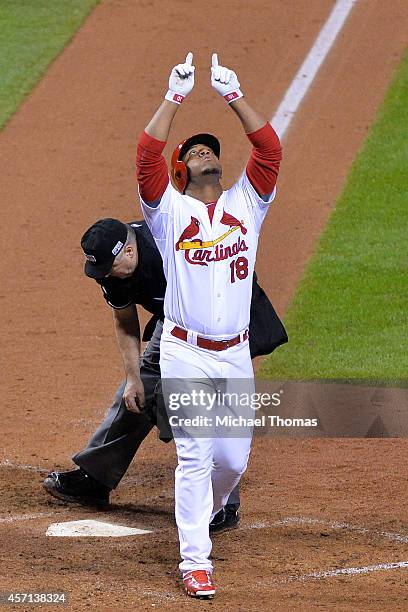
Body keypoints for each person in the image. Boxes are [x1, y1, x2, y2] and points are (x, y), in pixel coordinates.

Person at [136, 52, 282, 598]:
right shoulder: (167, 212)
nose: (205, 153)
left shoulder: (248, 205)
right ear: (181, 171)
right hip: (185, 352)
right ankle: (195, 560)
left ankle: (207, 511)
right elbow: (147, 153)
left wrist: (232, 94)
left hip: (234, 356)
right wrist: (174, 95)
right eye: (194, 152)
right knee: (195, 453)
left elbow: (269, 150)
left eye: (210, 149)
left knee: (231, 461)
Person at [43, 218, 287, 534]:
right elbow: (125, 321)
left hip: (226, 317)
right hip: (175, 319)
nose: (105, 275)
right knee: (139, 388)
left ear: (129, 251)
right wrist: (133, 379)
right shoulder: (112, 267)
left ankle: (221, 504)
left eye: (110, 267)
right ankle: (95, 477)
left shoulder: (173, 250)